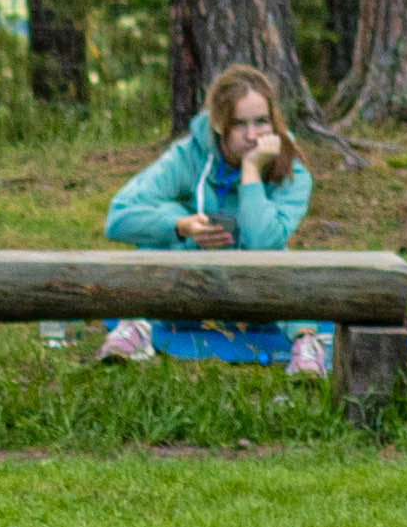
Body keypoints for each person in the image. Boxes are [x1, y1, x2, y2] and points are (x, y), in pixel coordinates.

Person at [101, 63, 326, 373]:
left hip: (256, 292)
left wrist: (251, 170)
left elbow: (263, 242)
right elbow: (118, 217)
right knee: (165, 220)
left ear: (273, 119)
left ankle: (306, 344)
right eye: (239, 124)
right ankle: (136, 326)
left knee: (286, 260)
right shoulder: (188, 156)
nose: (252, 136)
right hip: (189, 284)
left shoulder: (292, 171)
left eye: (261, 122)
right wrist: (180, 227)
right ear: (219, 124)